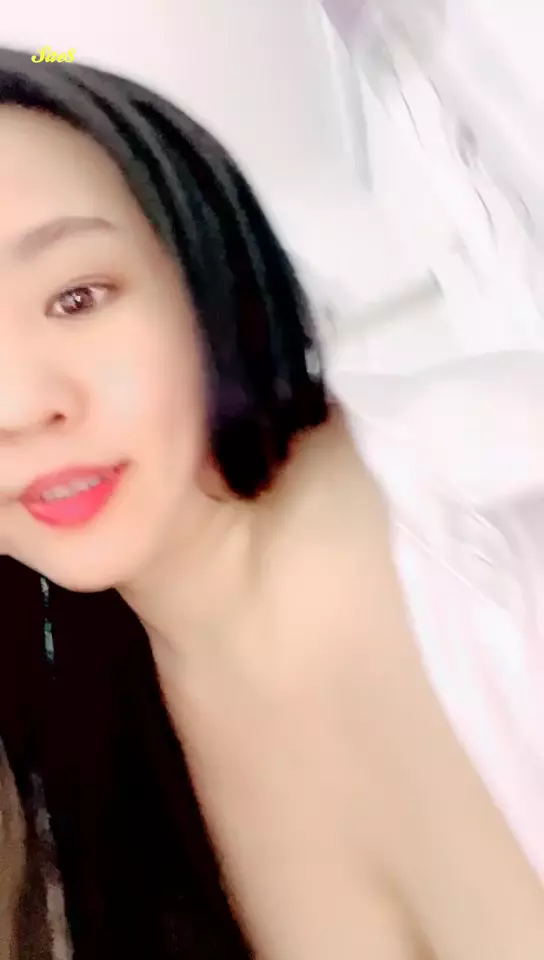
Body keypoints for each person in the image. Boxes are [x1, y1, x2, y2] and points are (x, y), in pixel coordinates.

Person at [0, 47, 542, 960]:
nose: (18, 406)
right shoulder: (63, 753)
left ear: (203, 269)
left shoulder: (511, 497)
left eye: (78, 296)